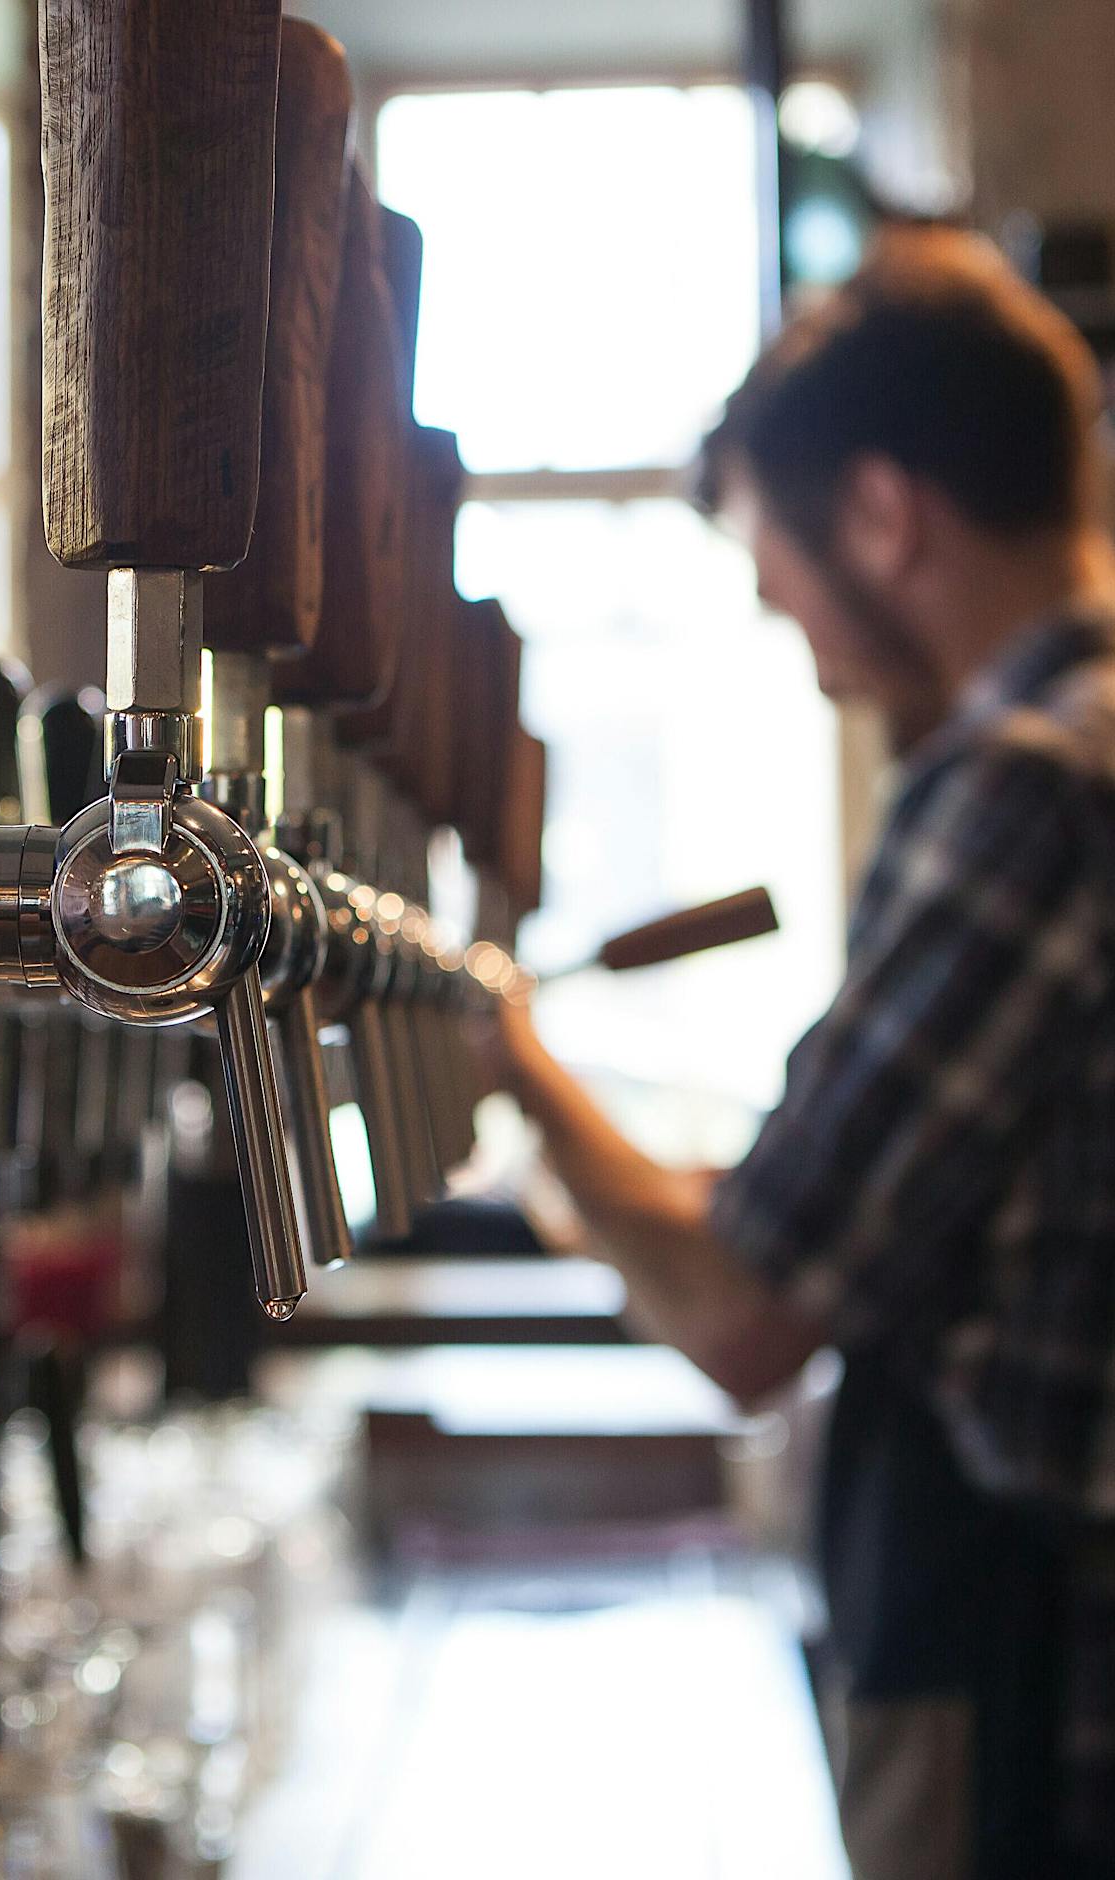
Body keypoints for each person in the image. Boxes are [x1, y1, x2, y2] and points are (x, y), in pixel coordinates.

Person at [485, 225, 1115, 1878]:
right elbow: (913, 1210)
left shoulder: (1029, 783)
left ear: (887, 518)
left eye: (787, 589)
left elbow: (744, 1308)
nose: (812, 656)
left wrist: (510, 1062)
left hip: (1040, 1697)